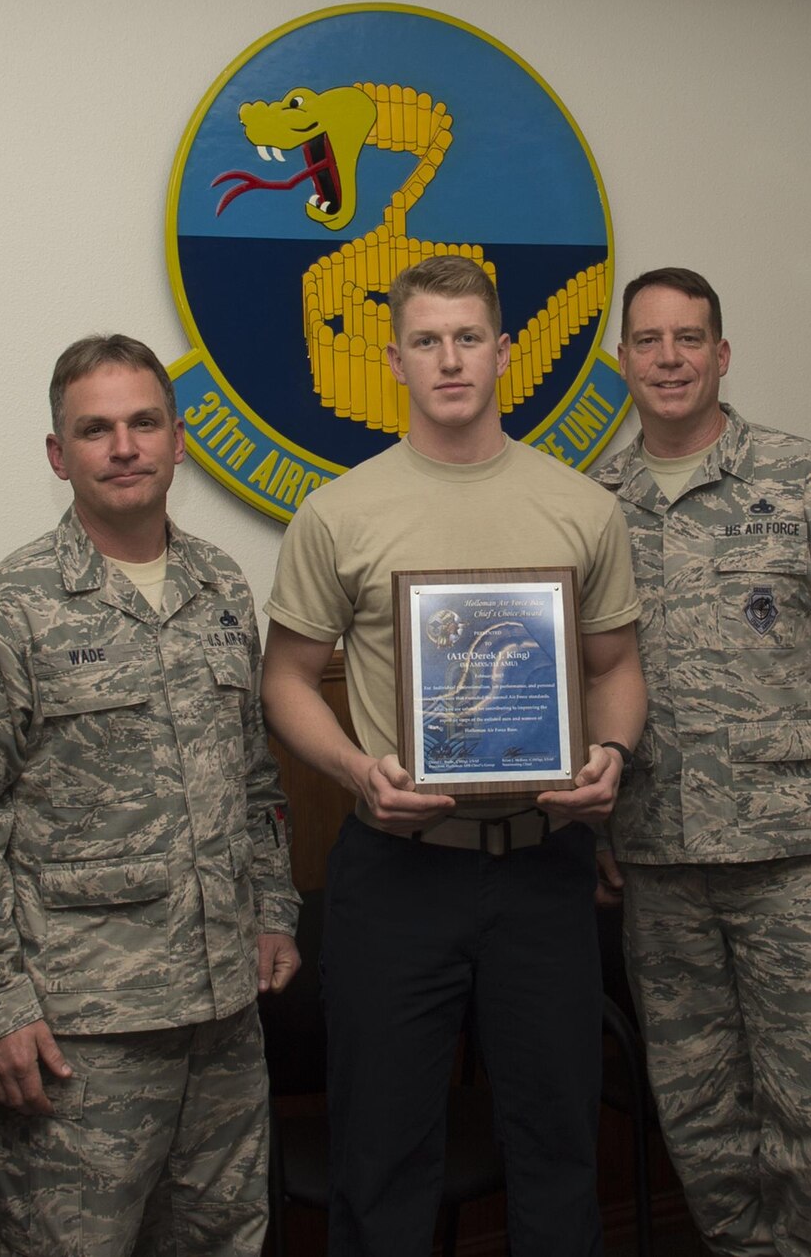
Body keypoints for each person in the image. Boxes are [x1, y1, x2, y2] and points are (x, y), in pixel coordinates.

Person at [259, 254, 646, 1256]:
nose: (448, 359)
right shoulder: (338, 511)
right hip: (396, 871)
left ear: (504, 351)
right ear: (392, 359)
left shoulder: (581, 506)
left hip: (543, 867)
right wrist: (356, 774)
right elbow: (287, 678)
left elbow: (615, 665)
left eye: (467, 336)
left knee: (559, 1146)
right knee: (381, 1154)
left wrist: (609, 750)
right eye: (425, 340)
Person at [587, 266, 811, 1257]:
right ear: (622, 363)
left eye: (687, 338)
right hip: (659, 863)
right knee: (700, 1121)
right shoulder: (590, 507)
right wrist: (595, 825)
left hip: (798, 863)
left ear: (721, 354)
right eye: (647, 341)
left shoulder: (804, 483)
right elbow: (576, 681)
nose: (667, 358)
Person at [0, 333, 301, 1255]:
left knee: (225, 1239)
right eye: (96, 430)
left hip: (224, 1016)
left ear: (179, 440)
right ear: (60, 456)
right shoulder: (7, 608)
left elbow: (255, 775)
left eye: (144, 422)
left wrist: (274, 911)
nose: (125, 446)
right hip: (81, 1032)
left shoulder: (221, 586)